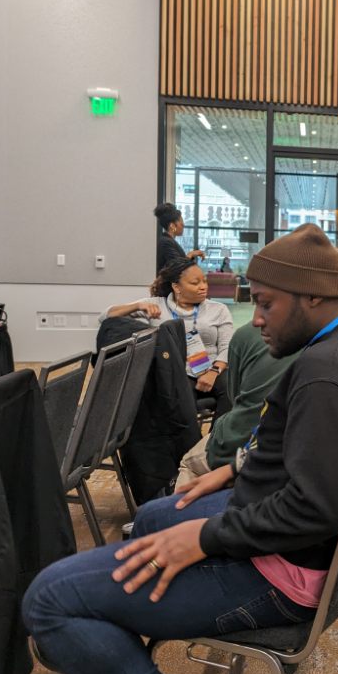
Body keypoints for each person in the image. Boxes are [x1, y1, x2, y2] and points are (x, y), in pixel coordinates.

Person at [23, 224, 338, 674]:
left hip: (281, 574)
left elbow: (315, 508)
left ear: (311, 297)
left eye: (266, 303)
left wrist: (206, 538)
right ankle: (118, 645)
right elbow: (321, 453)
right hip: (289, 542)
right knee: (153, 517)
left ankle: (110, 650)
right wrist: (235, 469)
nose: (258, 318)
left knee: (48, 599)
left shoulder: (327, 374)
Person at [174, 322, 299, 489]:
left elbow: (235, 397)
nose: (257, 318)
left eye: (265, 303)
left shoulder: (248, 331)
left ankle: (176, 511)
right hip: (295, 451)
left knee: (189, 464)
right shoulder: (333, 338)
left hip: (259, 448)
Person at [104, 258, 234, 417]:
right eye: (195, 283)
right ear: (176, 287)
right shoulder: (155, 305)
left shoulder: (218, 309)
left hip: (212, 367)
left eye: (204, 281)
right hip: (174, 371)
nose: (203, 287)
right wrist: (138, 306)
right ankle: (191, 441)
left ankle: (218, 439)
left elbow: (227, 347)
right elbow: (106, 317)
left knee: (232, 390)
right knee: (179, 402)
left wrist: (213, 371)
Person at [154, 202, 204, 273]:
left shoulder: (168, 241)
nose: (183, 225)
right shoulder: (166, 242)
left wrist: (191, 255)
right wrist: (190, 254)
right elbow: (177, 267)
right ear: (172, 226)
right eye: (181, 223)